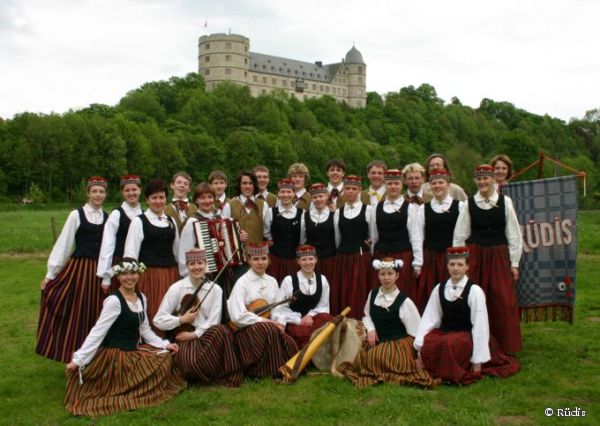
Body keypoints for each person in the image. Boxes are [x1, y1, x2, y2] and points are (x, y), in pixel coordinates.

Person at [64, 259, 185, 416]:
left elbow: (145, 329)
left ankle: (135, 387)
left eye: (133, 273)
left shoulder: (141, 297)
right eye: (124, 274)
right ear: (118, 277)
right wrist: (78, 360)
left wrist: (163, 344)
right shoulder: (114, 301)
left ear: (139, 274)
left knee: (165, 357)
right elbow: (98, 332)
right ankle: (129, 388)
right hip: (116, 355)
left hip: (134, 349)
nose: (129, 277)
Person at [414, 247, 520, 385]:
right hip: (446, 332)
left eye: (460, 264)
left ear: (467, 267)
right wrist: (419, 349)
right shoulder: (439, 289)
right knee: (432, 342)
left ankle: (452, 370)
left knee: (450, 344)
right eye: (452, 264)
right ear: (447, 266)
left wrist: (477, 361)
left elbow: (480, 326)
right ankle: (436, 368)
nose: (456, 268)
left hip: (467, 335)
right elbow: (429, 318)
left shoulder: (474, 291)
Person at [37, 176, 109, 362]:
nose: (98, 195)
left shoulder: (108, 217)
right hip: (80, 270)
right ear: (88, 193)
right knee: (77, 313)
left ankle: (94, 357)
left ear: (106, 194)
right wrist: (51, 274)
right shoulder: (76, 215)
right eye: (94, 191)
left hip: (99, 272)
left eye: (101, 192)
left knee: (96, 313)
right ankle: (73, 355)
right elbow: (64, 244)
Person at [338, 257, 440, 389]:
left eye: (390, 274)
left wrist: (419, 355)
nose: (386, 278)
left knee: (377, 357)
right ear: (378, 275)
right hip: (378, 340)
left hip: (398, 344)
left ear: (397, 275)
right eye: (382, 274)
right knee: (362, 359)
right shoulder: (373, 294)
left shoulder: (404, 301)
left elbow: (417, 330)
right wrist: (371, 330)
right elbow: (367, 315)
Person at [453, 165, 523, 354]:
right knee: (476, 298)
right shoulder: (469, 203)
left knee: (501, 298)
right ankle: (473, 343)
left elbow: (514, 234)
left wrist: (514, 262)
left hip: (499, 255)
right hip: (476, 255)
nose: (482, 182)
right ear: (476, 181)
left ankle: (504, 344)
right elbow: (460, 235)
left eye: (486, 179)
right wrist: (458, 262)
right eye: (479, 179)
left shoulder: (505, 202)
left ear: (493, 180)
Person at [154, 249, 242, 387]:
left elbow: (214, 321)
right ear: (187, 266)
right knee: (191, 364)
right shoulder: (177, 288)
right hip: (183, 336)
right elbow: (158, 320)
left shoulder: (215, 289)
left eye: (200, 263)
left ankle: (219, 374)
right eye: (192, 264)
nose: (196, 267)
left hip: (205, 335)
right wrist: (181, 320)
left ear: (206, 265)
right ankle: (208, 371)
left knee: (221, 330)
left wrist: (195, 334)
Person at [227, 242, 298, 378]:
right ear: (248, 260)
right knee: (268, 330)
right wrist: (266, 321)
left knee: (288, 341)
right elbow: (237, 316)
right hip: (245, 329)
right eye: (255, 259)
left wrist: (279, 321)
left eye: (263, 258)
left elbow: (277, 308)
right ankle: (264, 371)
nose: (260, 262)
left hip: (268, 325)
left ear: (269, 260)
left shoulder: (272, 281)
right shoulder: (242, 282)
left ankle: (285, 368)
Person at [124, 179, 179, 329]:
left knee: (171, 311)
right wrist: (131, 279)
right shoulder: (139, 221)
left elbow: (176, 251)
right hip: (149, 275)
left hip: (170, 275)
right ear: (147, 200)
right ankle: (155, 346)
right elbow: (130, 253)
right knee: (154, 311)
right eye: (154, 198)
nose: (158, 201)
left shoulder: (171, 221)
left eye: (161, 197)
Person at [416, 169, 465, 313]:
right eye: (434, 183)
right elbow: (419, 237)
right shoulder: (423, 209)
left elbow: (462, 235)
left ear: (448, 184)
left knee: (452, 294)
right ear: (430, 185)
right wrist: (419, 263)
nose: (437, 186)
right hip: (430, 258)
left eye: (441, 182)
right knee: (431, 294)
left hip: (451, 259)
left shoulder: (460, 206)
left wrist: (459, 259)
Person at [371, 169, 423, 302]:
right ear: (385, 185)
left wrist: (418, 263)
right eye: (389, 184)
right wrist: (372, 256)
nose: (393, 186)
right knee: (381, 294)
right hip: (381, 256)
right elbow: (374, 235)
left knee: (401, 295)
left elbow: (415, 237)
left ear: (402, 185)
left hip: (402, 257)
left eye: (396, 183)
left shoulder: (409, 208)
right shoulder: (377, 207)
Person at [273, 245, 333, 348]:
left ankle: (313, 349)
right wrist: (298, 319)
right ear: (298, 261)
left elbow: (324, 306)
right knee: (301, 332)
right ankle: (309, 351)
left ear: (316, 260)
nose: (308, 263)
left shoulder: (322, 280)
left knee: (327, 319)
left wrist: (310, 315)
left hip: (314, 319)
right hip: (295, 320)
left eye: (311, 259)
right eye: (304, 259)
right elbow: (280, 308)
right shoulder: (289, 280)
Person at [333, 175, 375, 318]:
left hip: (361, 258)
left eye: (354, 189)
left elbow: (373, 236)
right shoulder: (338, 212)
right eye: (348, 188)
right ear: (343, 190)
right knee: (344, 290)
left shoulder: (368, 210)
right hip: (343, 258)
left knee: (359, 291)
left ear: (360, 191)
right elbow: (337, 238)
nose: (350, 191)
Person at [97, 174, 143, 292]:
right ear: (122, 192)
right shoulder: (117, 214)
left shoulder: (145, 214)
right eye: (127, 190)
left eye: (134, 189)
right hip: (119, 264)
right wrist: (106, 276)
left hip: (140, 265)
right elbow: (108, 244)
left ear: (140, 190)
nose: (131, 193)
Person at [265, 178, 306, 283]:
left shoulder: (302, 213)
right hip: (275, 260)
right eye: (282, 191)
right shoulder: (270, 212)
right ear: (278, 194)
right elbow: (266, 233)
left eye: (289, 192)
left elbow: (302, 238)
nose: (286, 195)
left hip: (294, 261)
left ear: (294, 194)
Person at [178, 182, 218, 277]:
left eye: (210, 197)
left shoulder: (218, 218)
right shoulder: (192, 222)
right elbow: (184, 252)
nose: (207, 201)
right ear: (196, 200)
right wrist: (188, 276)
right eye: (202, 198)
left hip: (221, 273)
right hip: (200, 274)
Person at [304, 183, 337, 283]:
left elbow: (337, 238)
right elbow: (302, 238)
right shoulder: (305, 215)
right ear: (311, 198)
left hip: (330, 259)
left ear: (327, 196)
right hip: (311, 261)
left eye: (321, 196)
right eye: (315, 197)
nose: (318, 199)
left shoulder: (335, 214)